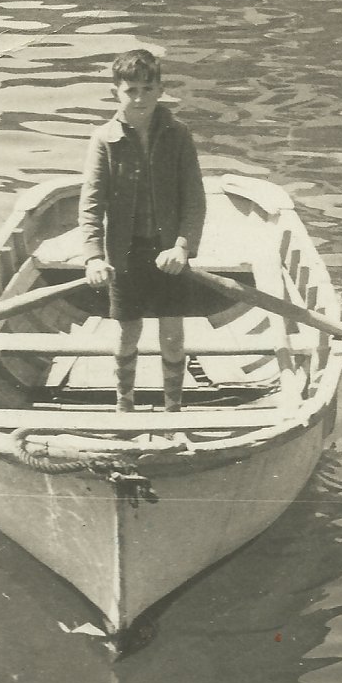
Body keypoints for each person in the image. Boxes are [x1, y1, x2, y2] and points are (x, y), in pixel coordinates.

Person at [77, 49, 207, 414]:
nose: (139, 98)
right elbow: (91, 204)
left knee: (172, 334)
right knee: (126, 333)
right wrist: (93, 258)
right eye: (130, 89)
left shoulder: (178, 134)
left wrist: (182, 247)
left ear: (160, 90)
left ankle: (173, 408)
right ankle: (124, 406)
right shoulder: (105, 140)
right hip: (125, 253)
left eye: (147, 89)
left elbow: (194, 200)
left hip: (169, 252)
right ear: (115, 92)